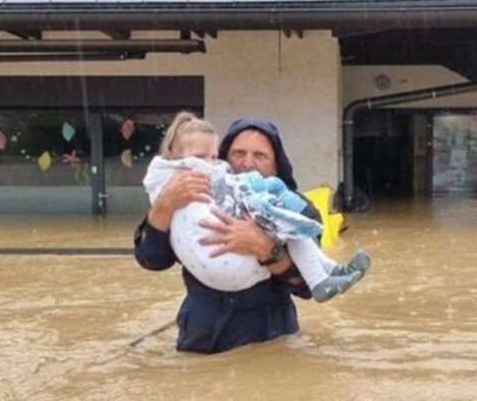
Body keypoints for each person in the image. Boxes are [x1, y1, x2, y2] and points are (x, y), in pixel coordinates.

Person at [134, 115, 366, 353]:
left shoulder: (296, 211)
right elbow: (151, 260)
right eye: (238, 153)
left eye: (260, 155)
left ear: (276, 164)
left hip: (271, 341)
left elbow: (306, 287)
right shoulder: (188, 198)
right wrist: (163, 204)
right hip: (201, 340)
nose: (247, 163)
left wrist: (264, 248)